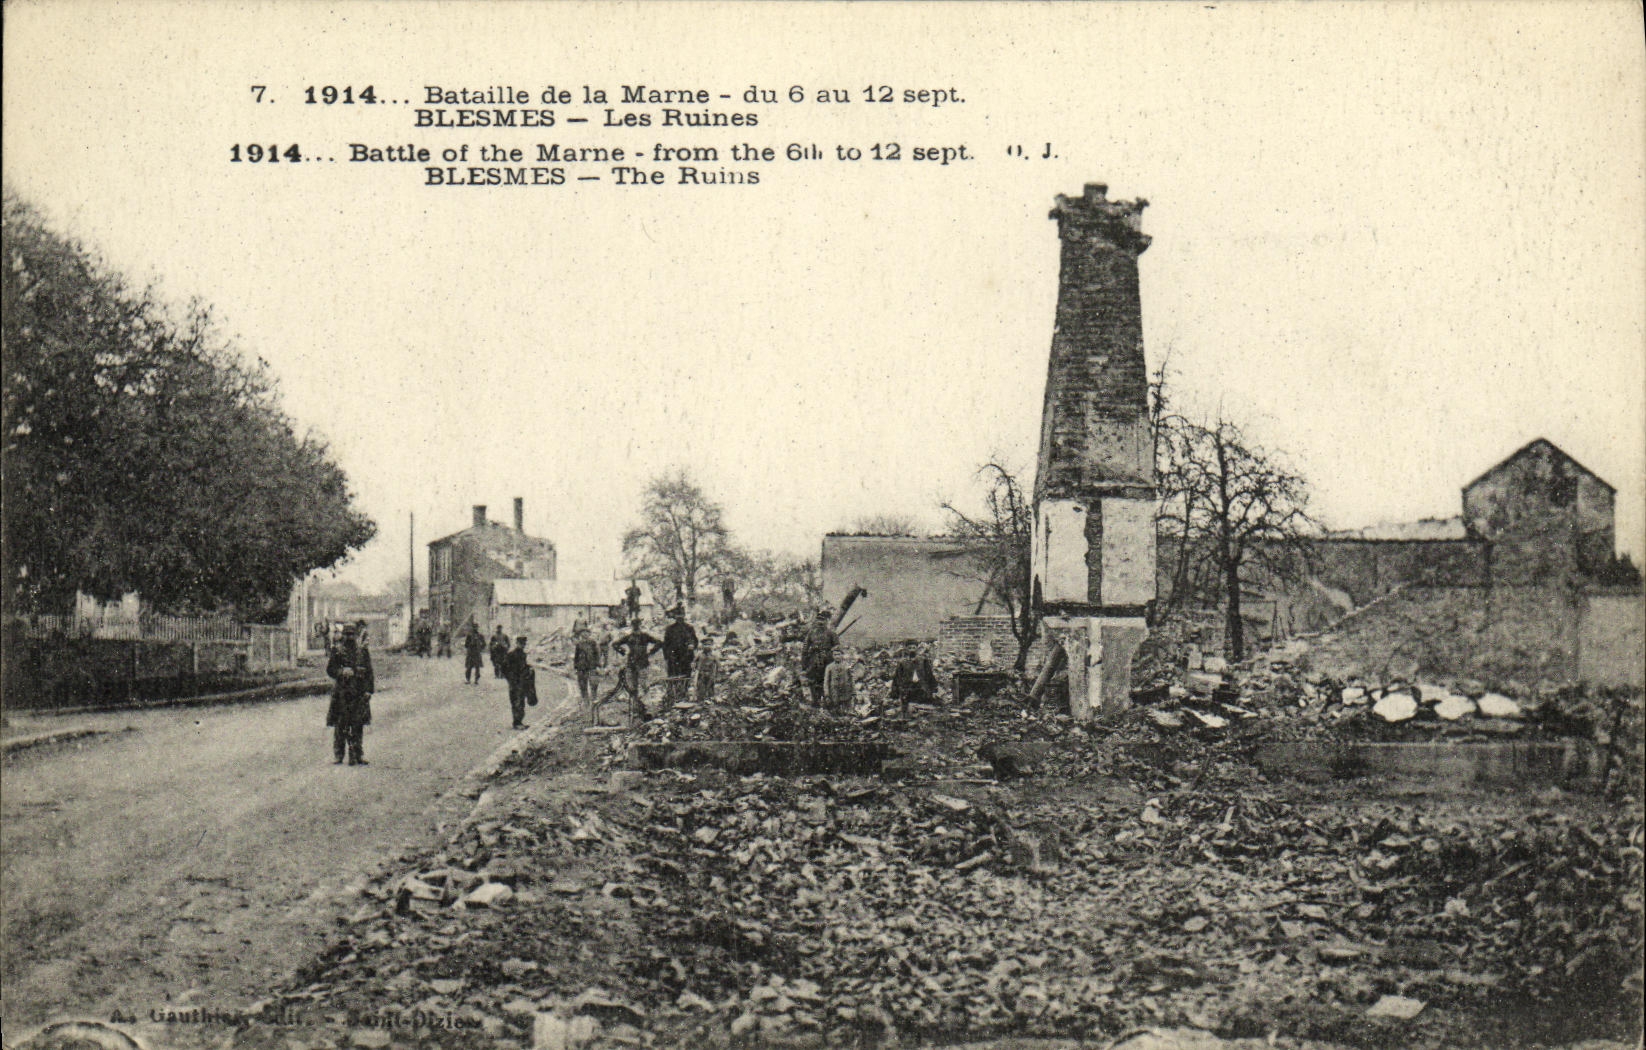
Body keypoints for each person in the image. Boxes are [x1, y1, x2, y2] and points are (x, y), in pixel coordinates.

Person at [325, 623, 375, 765]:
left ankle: (358, 754)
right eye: (347, 634)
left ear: (355, 635)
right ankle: (339, 754)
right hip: (342, 693)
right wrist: (341, 672)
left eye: (352, 634)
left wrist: (368, 690)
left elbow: (369, 672)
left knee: (358, 724)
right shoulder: (338, 651)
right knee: (340, 725)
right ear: (343, 635)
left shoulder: (362, 652)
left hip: (358, 692)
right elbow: (330, 669)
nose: (349, 637)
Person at [607, 619, 662, 718]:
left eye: (637, 625)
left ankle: (645, 709)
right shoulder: (630, 637)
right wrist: (623, 651)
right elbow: (615, 644)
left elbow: (659, 642)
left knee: (643, 686)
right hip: (633, 664)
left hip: (641, 663)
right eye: (635, 625)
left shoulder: (644, 636)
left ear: (639, 625)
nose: (636, 627)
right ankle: (637, 709)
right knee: (634, 688)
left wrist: (651, 652)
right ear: (633, 626)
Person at [661, 605, 699, 706]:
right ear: (675, 617)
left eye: (681, 616)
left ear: (684, 616)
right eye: (678, 617)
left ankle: (684, 695)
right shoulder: (670, 629)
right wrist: (666, 658)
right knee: (674, 678)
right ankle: (674, 698)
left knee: (686, 677)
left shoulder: (689, 628)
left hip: (686, 657)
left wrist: (693, 646)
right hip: (674, 658)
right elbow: (665, 645)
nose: (680, 618)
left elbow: (695, 641)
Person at [801, 607, 838, 704]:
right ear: (816, 621)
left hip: (827, 659)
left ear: (826, 621)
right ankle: (815, 700)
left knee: (828, 679)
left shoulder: (831, 633)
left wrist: (832, 654)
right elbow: (805, 648)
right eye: (819, 620)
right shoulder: (811, 633)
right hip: (814, 659)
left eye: (823, 620)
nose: (820, 623)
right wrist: (804, 664)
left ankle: (829, 700)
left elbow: (837, 646)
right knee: (813, 680)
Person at [890, 641, 937, 715]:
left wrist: (934, 690)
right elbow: (897, 679)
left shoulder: (923, 661)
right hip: (908, 690)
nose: (912, 650)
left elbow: (930, 676)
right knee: (909, 711)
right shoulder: (902, 663)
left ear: (917, 649)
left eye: (913, 648)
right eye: (909, 648)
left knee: (923, 710)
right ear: (906, 649)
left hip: (921, 689)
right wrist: (895, 694)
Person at [502, 635, 533, 729]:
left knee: (521, 701)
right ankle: (516, 723)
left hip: (522, 681)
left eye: (524, 644)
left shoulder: (523, 654)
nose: (523, 645)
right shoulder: (511, 654)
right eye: (521, 644)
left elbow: (522, 666)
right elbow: (504, 667)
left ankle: (519, 721)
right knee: (516, 701)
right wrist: (509, 679)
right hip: (514, 681)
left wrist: (528, 668)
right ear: (517, 643)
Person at [572, 627, 602, 715]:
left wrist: (597, 664)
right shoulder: (579, 644)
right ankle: (586, 703)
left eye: (586, 632)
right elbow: (576, 656)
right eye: (582, 633)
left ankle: (594, 702)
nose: (584, 634)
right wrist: (576, 666)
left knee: (594, 684)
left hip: (591, 666)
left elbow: (597, 654)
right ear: (581, 635)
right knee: (582, 686)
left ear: (589, 634)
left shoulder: (593, 643)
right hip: (581, 667)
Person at [693, 636, 718, 705]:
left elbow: (718, 665)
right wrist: (695, 669)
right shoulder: (699, 655)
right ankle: (700, 702)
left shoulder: (714, 655)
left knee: (710, 688)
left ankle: (710, 701)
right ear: (702, 646)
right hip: (701, 674)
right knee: (701, 688)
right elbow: (693, 662)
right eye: (705, 645)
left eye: (709, 645)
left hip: (710, 674)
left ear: (712, 645)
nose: (707, 646)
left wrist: (716, 674)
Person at [462, 619, 486, 684]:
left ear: (477, 628)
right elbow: (466, 645)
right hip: (470, 653)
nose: (475, 628)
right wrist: (470, 645)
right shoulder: (469, 636)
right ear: (472, 628)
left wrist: (480, 648)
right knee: (469, 667)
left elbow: (484, 644)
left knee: (477, 667)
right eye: (474, 627)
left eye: (476, 627)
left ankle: (476, 680)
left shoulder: (480, 636)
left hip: (477, 653)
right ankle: (468, 679)